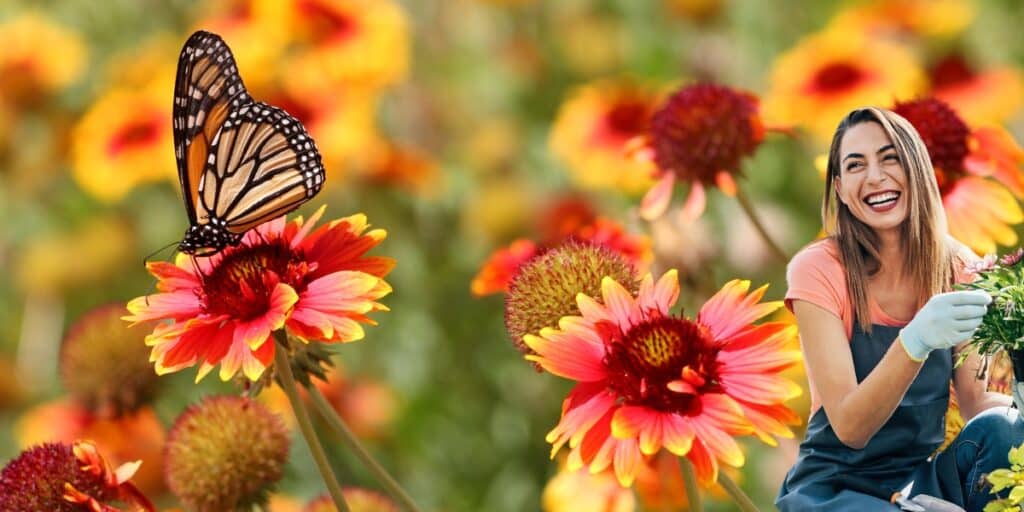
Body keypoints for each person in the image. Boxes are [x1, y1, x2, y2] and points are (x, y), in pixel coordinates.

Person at [776, 107, 1024, 512]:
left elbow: (980, 408)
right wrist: (916, 339)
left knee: (1002, 432)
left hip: (919, 484)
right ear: (839, 188)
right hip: (833, 490)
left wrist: (1017, 409)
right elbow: (850, 427)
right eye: (856, 165)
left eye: (890, 157)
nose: (875, 176)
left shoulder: (959, 266)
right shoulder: (818, 270)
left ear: (918, 168)